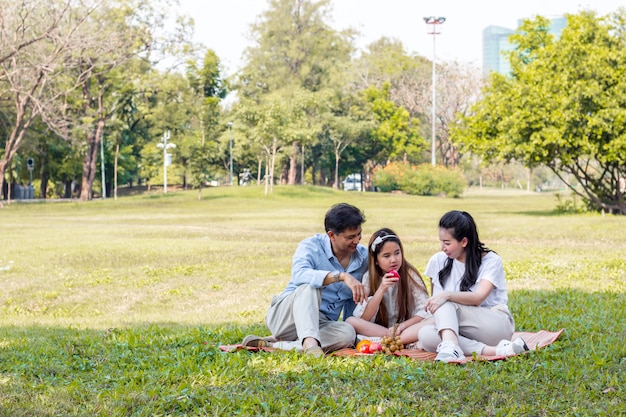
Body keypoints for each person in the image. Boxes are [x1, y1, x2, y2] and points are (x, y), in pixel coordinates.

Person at [241, 203, 369, 356]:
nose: (357, 240)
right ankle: (309, 342)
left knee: (347, 333)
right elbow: (299, 275)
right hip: (287, 317)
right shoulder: (310, 246)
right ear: (331, 235)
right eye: (350, 237)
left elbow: (353, 302)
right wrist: (341, 276)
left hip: (322, 323)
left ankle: (279, 344)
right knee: (310, 286)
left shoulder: (363, 257)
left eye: (359, 234)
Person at [418, 210, 529, 362]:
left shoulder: (491, 261)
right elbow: (437, 314)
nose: (442, 247)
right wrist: (401, 334)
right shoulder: (438, 261)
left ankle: (451, 345)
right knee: (425, 335)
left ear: (464, 242)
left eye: (447, 243)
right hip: (462, 330)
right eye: (441, 241)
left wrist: (447, 295)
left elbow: (477, 298)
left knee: (445, 301)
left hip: (494, 325)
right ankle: (495, 350)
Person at [346, 228, 432, 346]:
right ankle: (394, 340)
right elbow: (363, 318)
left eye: (397, 253)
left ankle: (388, 342)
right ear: (376, 260)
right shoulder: (370, 277)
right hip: (381, 331)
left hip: (406, 328)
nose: (394, 260)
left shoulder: (409, 274)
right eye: (386, 256)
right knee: (351, 321)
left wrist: (402, 326)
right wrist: (382, 289)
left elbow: (425, 311)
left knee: (433, 321)